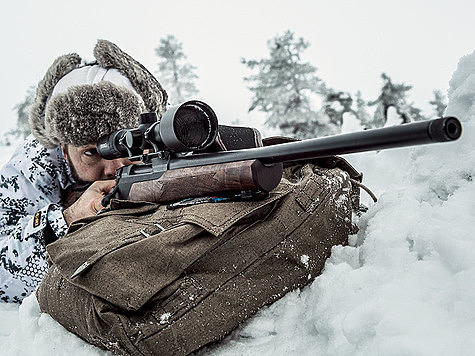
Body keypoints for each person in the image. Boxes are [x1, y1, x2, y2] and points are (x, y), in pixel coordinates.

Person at [0, 40, 167, 303]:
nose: (114, 167)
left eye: (126, 146)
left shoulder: (162, 144)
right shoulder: (32, 168)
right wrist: (66, 219)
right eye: (92, 152)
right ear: (64, 149)